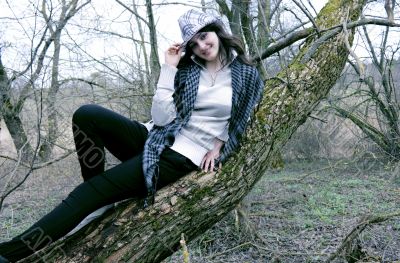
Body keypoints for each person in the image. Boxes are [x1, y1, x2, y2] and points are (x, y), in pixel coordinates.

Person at [0, 9, 263, 262]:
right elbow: (162, 118)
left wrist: (218, 146)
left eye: (204, 37)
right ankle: (99, 197)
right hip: (156, 137)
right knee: (86, 114)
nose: (202, 46)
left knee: (84, 195)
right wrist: (169, 69)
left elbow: (241, 119)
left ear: (216, 32)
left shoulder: (245, 75)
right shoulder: (190, 70)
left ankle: (8, 254)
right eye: (193, 44)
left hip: (179, 157)